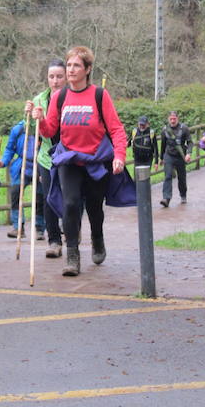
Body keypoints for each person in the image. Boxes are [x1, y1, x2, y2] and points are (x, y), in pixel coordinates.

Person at [31, 46, 127, 277]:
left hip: (96, 160)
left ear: (87, 69)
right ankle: (72, 255)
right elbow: (50, 130)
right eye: (69, 65)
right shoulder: (59, 97)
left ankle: (97, 238)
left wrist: (119, 156)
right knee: (71, 204)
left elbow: (116, 129)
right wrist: (41, 119)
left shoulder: (99, 95)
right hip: (69, 160)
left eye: (76, 66)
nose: (71, 70)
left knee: (95, 207)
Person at [26, 60, 68, 258]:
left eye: (59, 76)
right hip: (46, 156)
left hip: (70, 156)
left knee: (71, 198)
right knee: (49, 197)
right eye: (52, 77)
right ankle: (54, 240)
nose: (55, 81)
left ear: (66, 77)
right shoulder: (40, 99)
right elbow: (32, 127)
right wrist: (29, 114)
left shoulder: (73, 98)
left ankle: (71, 230)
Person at [0, 118, 45, 239]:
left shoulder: (43, 128)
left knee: (40, 197)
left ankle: (40, 228)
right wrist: (3, 162)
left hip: (40, 165)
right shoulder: (18, 129)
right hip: (21, 166)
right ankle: (18, 227)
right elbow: (10, 149)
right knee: (15, 194)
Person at [159, 111, 192, 207]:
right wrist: (161, 158)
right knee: (168, 176)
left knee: (181, 177)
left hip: (180, 156)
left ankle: (183, 195)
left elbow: (190, 142)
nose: (172, 121)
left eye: (174, 119)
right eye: (171, 119)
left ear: (178, 119)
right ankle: (166, 198)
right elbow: (163, 145)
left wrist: (189, 153)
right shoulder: (165, 130)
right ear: (168, 119)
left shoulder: (184, 128)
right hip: (169, 155)